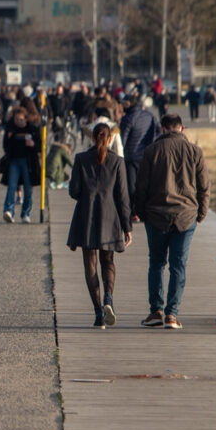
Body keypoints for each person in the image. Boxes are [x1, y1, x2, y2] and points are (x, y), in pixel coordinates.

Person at [134, 114, 210, 330]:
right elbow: (204, 186)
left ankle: (156, 311)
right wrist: (201, 213)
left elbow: (141, 187)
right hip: (186, 216)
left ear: (162, 128)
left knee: (157, 263)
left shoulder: (151, 151)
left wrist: (141, 212)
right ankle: (172, 314)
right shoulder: (195, 151)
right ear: (181, 128)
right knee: (179, 265)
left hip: (156, 215)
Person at [67, 123, 132, 328]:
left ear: (93, 138)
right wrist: (127, 226)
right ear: (110, 139)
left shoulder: (80, 159)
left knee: (90, 264)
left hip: (86, 217)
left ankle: (98, 314)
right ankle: (109, 299)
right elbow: (122, 197)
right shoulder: (117, 161)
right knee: (108, 261)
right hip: (109, 217)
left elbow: (74, 191)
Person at [119, 93, 160, 217]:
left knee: (132, 186)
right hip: (147, 155)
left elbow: (123, 140)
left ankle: (135, 212)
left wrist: (121, 155)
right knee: (145, 184)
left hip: (131, 157)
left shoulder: (128, 118)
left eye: (123, 103)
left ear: (128, 104)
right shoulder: (150, 116)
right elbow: (157, 131)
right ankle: (145, 210)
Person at [1, 107, 40, 223]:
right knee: (12, 187)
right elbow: (5, 146)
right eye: (16, 119)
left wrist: (33, 144)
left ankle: (26, 213)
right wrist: (9, 139)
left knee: (28, 189)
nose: (18, 122)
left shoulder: (32, 129)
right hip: (14, 161)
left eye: (21, 119)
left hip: (28, 162)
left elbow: (40, 145)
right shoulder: (11, 129)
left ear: (26, 119)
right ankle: (8, 211)